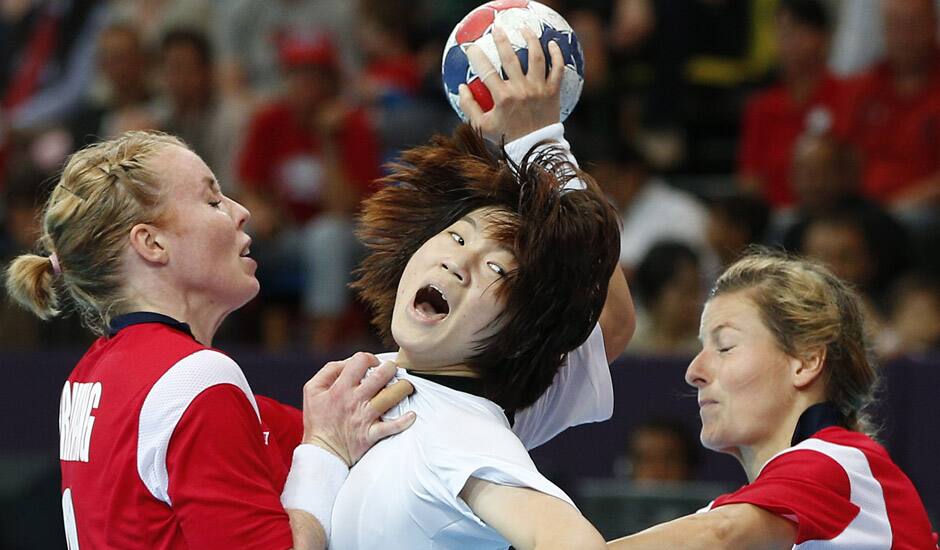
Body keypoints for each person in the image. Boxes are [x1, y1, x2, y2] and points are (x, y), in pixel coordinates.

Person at [4, 131, 415, 549]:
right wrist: (325, 448)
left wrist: (328, 429)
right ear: (152, 243)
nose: (241, 211)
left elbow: (261, 436)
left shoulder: (90, 375)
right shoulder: (193, 379)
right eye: (213, 201)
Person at [328, 26, 634, 549]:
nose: (457, 263)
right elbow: (611, 325)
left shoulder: (467, 439)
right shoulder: (378, 388)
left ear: (517, 329)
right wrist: (520, 149)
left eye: (497, 270)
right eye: (456, 236)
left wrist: (543, 143)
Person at [609, 250, 937, 548]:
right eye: (700, 349)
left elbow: (719, 533)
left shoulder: (839, 463)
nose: (694, 370)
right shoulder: (748, 512)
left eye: (724, 346)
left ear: (806, 362)